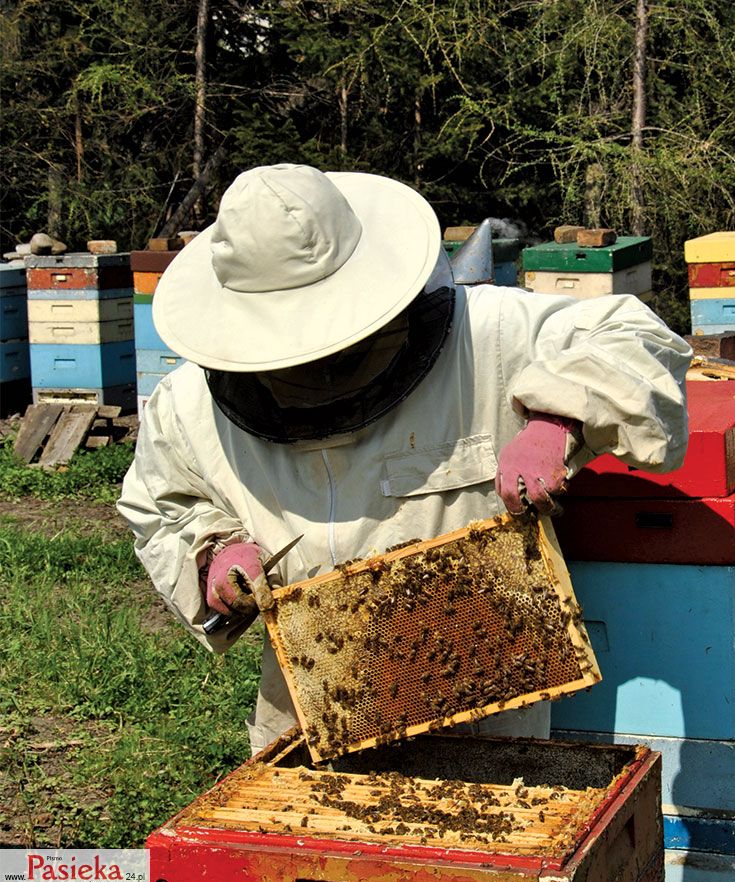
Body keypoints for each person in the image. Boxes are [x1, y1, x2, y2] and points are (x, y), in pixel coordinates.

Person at [118, 163, 691, 753]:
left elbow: (637, 338)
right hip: (310, 713)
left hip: (488, 712)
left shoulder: (486, 336)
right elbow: (163, 501)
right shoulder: (187, 406)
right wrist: (214, 547)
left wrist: (559, 417)